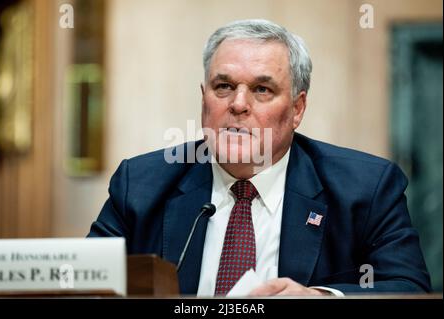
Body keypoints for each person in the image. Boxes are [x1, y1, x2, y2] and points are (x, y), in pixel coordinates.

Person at [88, 19, 431, 296]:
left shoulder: (365, 187)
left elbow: (407, 288)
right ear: (204, 98)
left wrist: (322, 298)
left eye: (261, 90)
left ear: (297, 109)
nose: (238, 104)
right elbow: (83, 284)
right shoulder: (142, 184)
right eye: (223, 86)